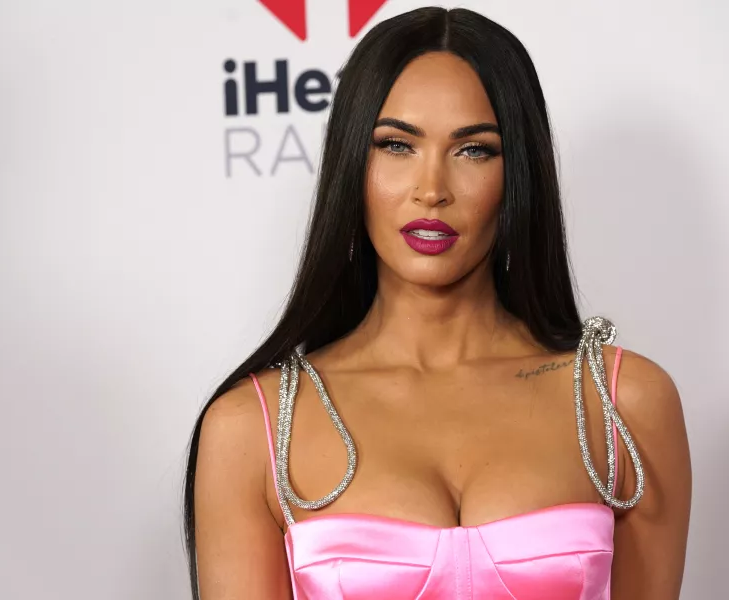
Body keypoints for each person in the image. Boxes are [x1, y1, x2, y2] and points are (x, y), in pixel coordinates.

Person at [185, 7, 691, 599]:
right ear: (352, 165)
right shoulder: (253, 428)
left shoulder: (624, 403)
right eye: (397, 145)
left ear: (519, 174)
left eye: (473, 150)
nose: (431, 189)